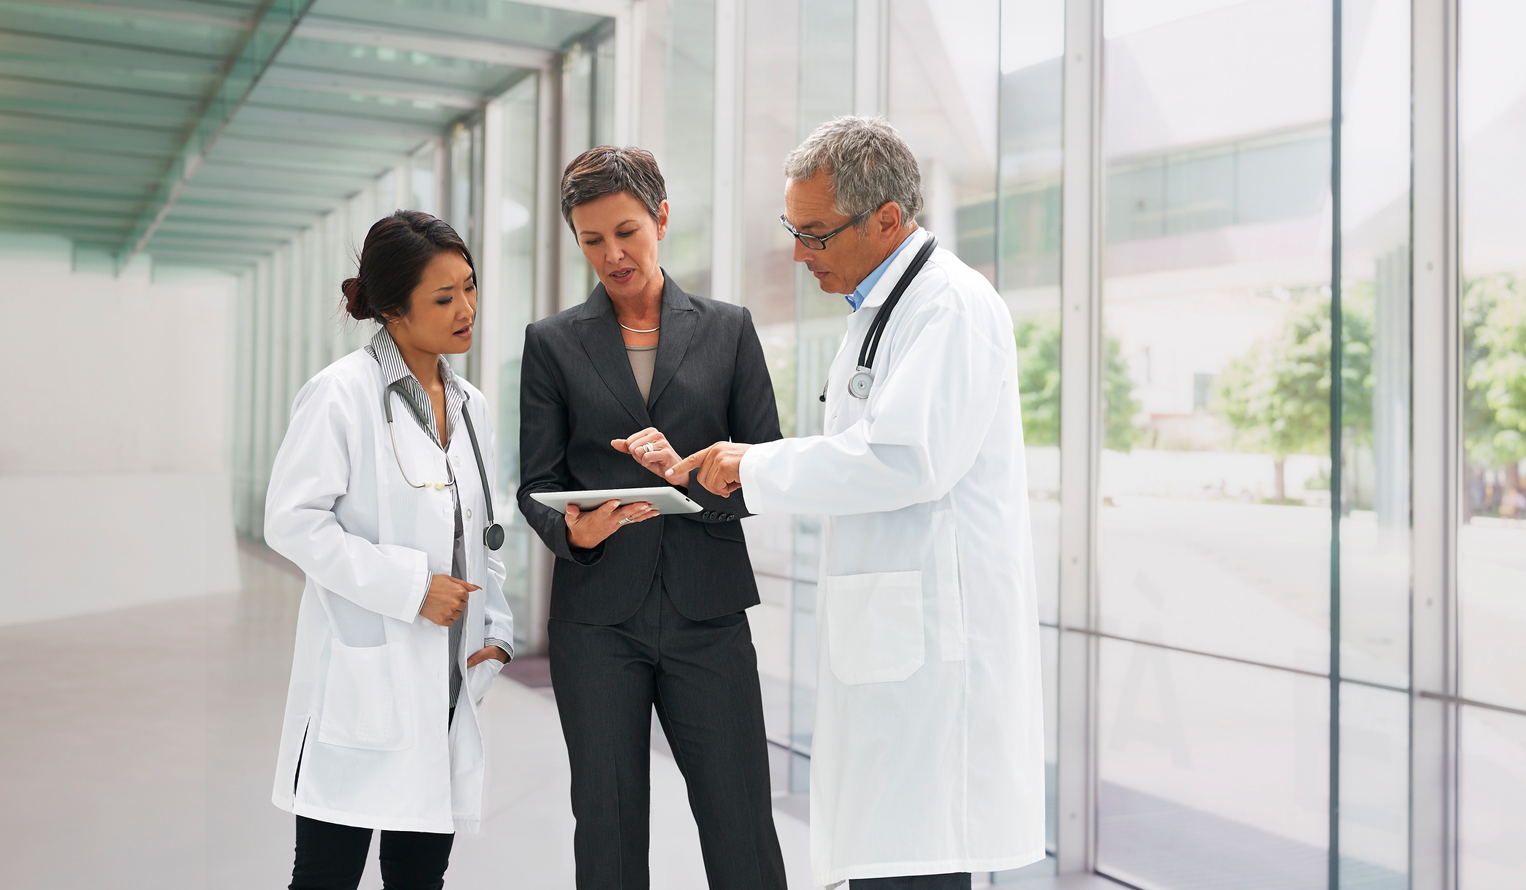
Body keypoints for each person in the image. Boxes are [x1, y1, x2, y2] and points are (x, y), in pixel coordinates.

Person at [671, 117, 1046, 888]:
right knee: (890, 864)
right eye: (793, 229)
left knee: (917, 868)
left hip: (934, 662)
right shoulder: (882, 314)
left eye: (815, 234)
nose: (799, 253)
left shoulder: (950, 307)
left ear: (886, 220)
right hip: (891, 647)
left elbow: (906, 458)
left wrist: (753, 467)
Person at [516, 145, 788, 890]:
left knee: (740, 822)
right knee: (605, 826)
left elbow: (764, 472)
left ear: (662, 219)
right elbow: (536, 481)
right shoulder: (551, 343)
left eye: (626, 232)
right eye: (592, 240)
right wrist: (574, 532)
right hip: (598, 621)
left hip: (709, 613)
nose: (613, 254)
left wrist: (689, 476)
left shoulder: (729, 330)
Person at [265, 210, 514, 890]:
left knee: (418, 877)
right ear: (392, 310)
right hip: (363, 676)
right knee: (326, 874)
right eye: (443, 298)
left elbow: (483, 530)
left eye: (469, 287)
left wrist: (496, 629)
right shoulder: (340, 394)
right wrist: (410, 589)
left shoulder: (471, 406)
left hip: (445, 681)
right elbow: (292, 521)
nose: (466, 309)